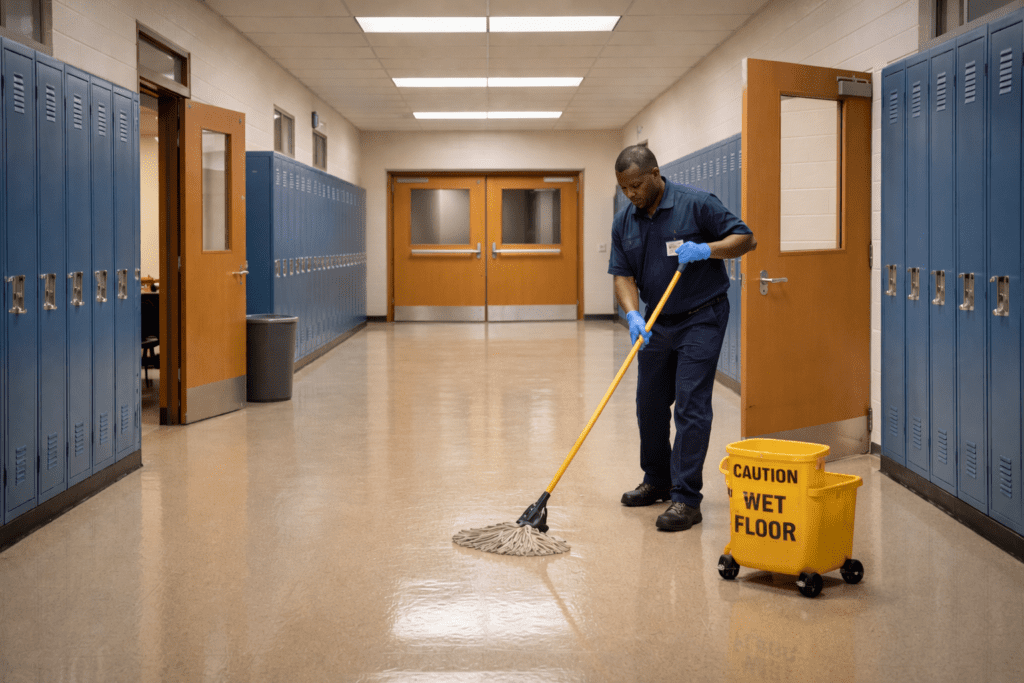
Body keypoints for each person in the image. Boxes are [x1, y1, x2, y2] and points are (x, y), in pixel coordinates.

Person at [608, 145, 756, 531]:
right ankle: (657, 480)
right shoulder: (625, 222)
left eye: (637, 185)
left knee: (690, 404)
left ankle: (687, 499)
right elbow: (621, 274)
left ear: (656, 173)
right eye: (625, 189)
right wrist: (633, 314)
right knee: (649, 405)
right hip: (656, 321)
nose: (632, 194)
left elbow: (745, 238)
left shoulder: (696, 204)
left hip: (701, 317)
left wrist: (708, 249)